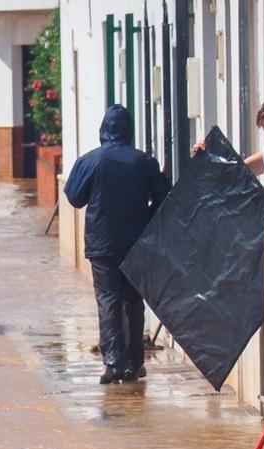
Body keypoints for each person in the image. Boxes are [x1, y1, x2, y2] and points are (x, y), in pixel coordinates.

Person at [63, 106, 171, 383]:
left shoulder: (90, 161)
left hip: (101, 245)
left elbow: (74, 198)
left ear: (103, 130)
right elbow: (164, 199)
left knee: (108, 300)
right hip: (135, 243)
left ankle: (112, 363)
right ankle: (134, 364)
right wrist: (145, 215)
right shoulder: (144, 162)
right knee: (133, 301)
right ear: (129, 130)